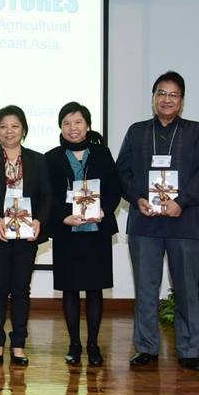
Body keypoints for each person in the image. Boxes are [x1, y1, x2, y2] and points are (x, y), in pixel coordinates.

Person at [116, 71, 199, 371]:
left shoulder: (197, 132)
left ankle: (188, 349)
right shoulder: (137, 131)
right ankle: (146, 347)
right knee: (146, 288)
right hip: (145, 223)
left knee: (186, 288)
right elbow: (122, 173)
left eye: (173, 95)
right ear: (154, 97)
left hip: (184, 223)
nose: (166, 100)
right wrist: (137, 198)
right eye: (161, 93)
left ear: (181, 101)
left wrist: (181, 202)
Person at [0, 105, 51, 366]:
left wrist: (39, 220)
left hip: (27, 236)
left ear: (24, 130)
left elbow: (48, 195)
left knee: (21, 290)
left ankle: (18, 344)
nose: (9, 131)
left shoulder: (38, 160)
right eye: (3, 126)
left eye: (15, 126)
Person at [45, 102, 120, 366]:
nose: (72, 128)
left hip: (96, 231)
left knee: (95, 289)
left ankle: (93, 344)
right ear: (61, 127)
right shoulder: (51, 157)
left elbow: (114, 188)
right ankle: (74, 344)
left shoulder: (102, 153)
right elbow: (47, 196)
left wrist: (105, 211)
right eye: (66, 123)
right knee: (69, 289)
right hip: (68, 231)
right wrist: (62, 217)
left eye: (77, 122)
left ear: (87, 125)